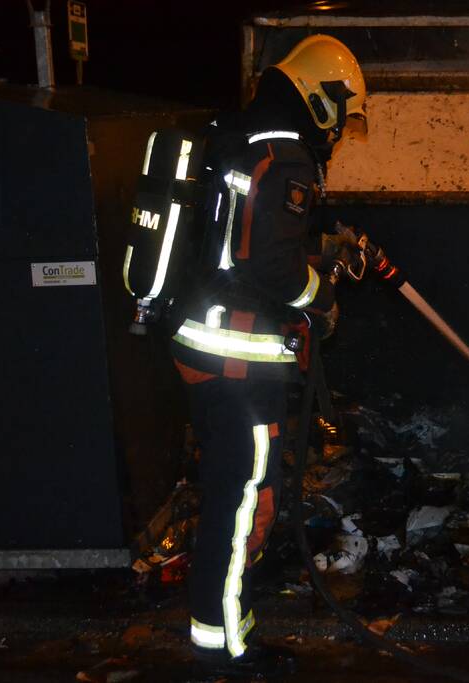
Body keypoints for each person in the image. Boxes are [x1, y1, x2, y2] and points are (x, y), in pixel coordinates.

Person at [167, 34, 367, 677]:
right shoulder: (285, 157)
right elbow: (273, 267)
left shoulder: (243, 135)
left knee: (236, 501)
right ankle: (225, 654)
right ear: (321, 96)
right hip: (238, 361)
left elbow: (237, 245)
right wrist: (323, 297)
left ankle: (231, 635)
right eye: (342, 108)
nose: (340, 125)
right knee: (241, 504)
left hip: (209, 345)